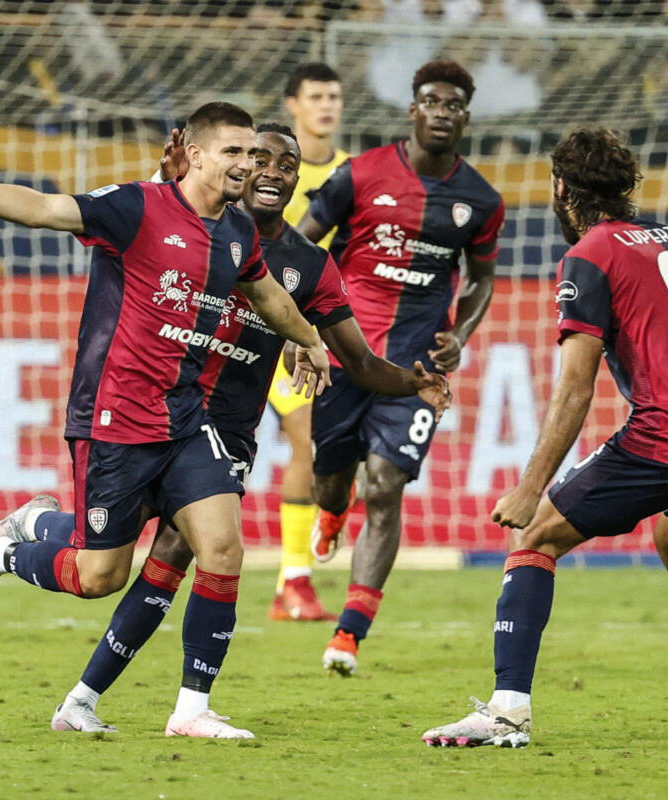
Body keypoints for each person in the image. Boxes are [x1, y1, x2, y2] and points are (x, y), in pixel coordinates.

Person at [0, 102, 334, 740]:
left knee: (222, 547)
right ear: (193, 153)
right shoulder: (139, 207)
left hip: (185, 419)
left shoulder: (238, 232)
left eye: (252, 153)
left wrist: (308, 338)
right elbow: (47, 208)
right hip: (115, 420)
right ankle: (0, 550)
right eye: (234, 153)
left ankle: (192, 710)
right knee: (99, 575)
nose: (246, 165)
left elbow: (266, 291)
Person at [36, 123, 450, 733]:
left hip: (224, 427)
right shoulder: (196, 227)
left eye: (289, 164)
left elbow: (357, 361)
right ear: (238, 169)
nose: (275, 172)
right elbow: (130, 222)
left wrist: (412, 381)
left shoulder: (308, 266)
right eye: (261, 159)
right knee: (106, 570)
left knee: (196, 551)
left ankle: (149, 705)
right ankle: (36, 548)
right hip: (148, 410)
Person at [422, 128, 668, 749]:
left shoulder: (592, 254)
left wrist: (529, 488)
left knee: (537, 534)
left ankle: (506, 712)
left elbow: (575, 389)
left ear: (559, 189)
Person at [295, 58, 504, 676]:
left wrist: (459, 333)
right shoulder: (357, 176)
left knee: (385, 486)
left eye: (454, 105)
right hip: (342, 355)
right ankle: (331, 513)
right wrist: (300, 324)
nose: (443, 113)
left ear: (466, 116)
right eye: (432, 102)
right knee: (331, 483)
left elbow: (483, 280)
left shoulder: (481, 200)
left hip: (413, 373)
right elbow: (301, 246)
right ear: (412, 110)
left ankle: (348, 634)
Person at [266, 63, 352, 622]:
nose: (326, 106)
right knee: (308, 441)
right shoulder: (268, 173)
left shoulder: (353, 175)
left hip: (324, 333)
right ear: (293, 104)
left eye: (334, 96)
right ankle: (293, 581)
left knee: (330, 451)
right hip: (263, 331)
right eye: (315, 96)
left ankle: (289, 582)